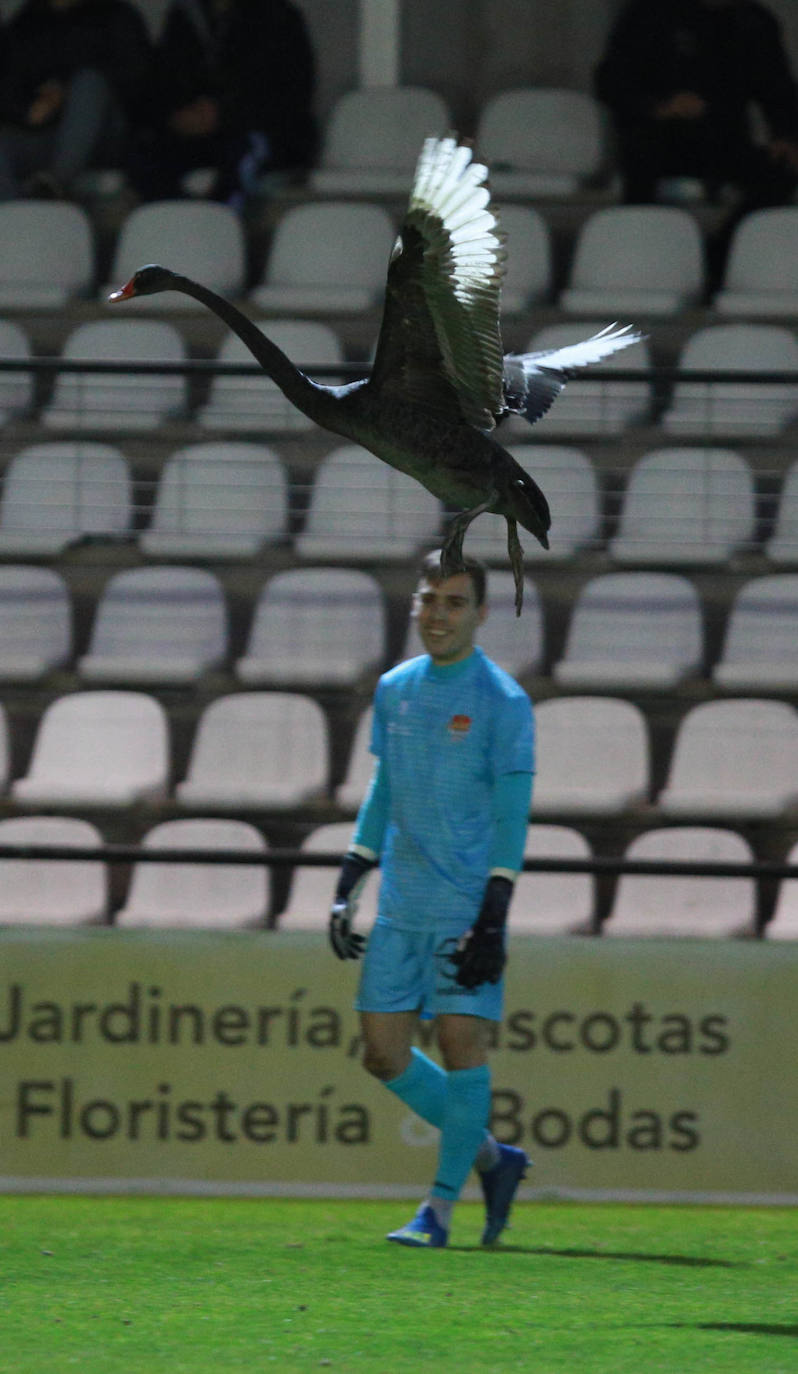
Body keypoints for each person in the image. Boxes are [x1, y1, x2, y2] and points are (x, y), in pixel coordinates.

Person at [329, 552, 534, 1248]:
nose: (438, 614)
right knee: (382, 1054)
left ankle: (439, 1210)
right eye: (429, 600)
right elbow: (384, 790)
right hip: (401, 904)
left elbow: (512, 816)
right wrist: (352, 872)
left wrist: (496, 911)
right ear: (415, 607)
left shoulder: (503, 702)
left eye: (454, 602)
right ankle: (491, 1158)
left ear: (480, 612)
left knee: (458, 1042)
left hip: (465, 906)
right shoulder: (396, 688)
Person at [594, 0, 798, 279]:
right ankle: (642, 254)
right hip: (659, 138)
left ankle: (720, 256)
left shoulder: (754, 22)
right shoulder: (648, 14)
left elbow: (777, 87)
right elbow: (610, 82)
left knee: (781, 170)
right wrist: (661, 108)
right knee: (641, 155)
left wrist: (785, 135)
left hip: (724, 141)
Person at [132, 0, 317, 206]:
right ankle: (170, 225)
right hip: (200, 137)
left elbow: (291, 98)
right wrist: (176, 117)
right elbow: (160, 85)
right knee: (146, 155)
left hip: (260, 134)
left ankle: (223, 227)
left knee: (244, 154)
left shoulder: (279, 17)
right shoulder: (185, 16)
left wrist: (223, 113)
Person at [0, 0, 153, 201]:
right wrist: (29, 108)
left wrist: (65, 92)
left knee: (89, 82)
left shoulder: (115, 14)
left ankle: (53, 186)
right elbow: (9, 85)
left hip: (105, 132)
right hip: (47, 132)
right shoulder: (28, 21)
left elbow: (137, 78)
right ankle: (16, 219)